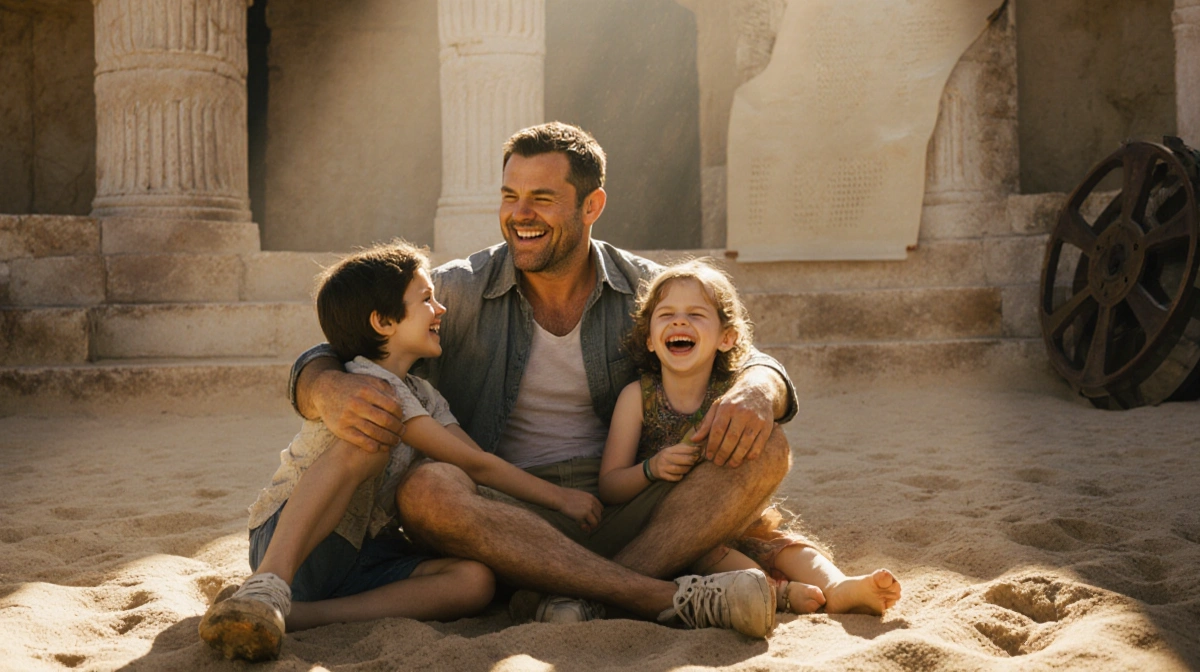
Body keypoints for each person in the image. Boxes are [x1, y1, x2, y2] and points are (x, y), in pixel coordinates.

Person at [290, 122, 800, 637]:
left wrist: (758, 389)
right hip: (501, 512)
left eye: (541, 198)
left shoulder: (648, 288)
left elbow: (754, 359)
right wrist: (325, 387)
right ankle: (639, 593)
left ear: (591, 206)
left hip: (628, 506)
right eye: (510, 196)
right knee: (425, 490)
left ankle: (578, 595)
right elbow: (337, 347)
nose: (520, 215)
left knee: (767, 447)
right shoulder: (457, 289)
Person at [200, 241, 606, 661]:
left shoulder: (424, 395)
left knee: (474, 582)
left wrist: (551, 504)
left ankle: (300, 615)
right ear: (382, 321)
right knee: (374, 441)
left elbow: (476, 461)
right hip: (293, 543)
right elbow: (473, 463)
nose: (441, 310)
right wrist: (560, 497)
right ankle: (267, 587)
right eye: (426, 299)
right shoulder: (367, 385)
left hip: (363, 553)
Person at [598, 259, 901, 616]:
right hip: (671, 530)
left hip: (735, 516)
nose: (680, 321)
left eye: (696, 314)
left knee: (787, 547)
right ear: (649, 338)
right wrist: (651, 468)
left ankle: (837, 586)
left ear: (727, 338)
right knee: (713, 557)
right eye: (666, 315)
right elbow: (609, 486)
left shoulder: (733, 397)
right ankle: (778, 595)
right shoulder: (637, 397)